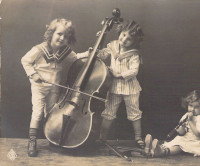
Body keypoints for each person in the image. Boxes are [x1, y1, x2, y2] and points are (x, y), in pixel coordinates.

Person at [21, 18, 88, 157]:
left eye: (66, 36)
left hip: (54, 88)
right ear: (51, 33)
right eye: (59, 34)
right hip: (39, 86)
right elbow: (25, 60)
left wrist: (89, 54)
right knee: (38, 112)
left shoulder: (65, 51)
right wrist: (33, 74)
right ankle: (32, 141)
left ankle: (50, 137)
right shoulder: (40, 49)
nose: (62, 38)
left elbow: (76, 58)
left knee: (51, 112)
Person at [96, 20, 145, 148]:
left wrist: (119, 75)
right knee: (109, 112)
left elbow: (134, 71)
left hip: (130, 87)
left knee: (134, 112)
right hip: (114, 87)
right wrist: (98, 45)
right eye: (123, 35)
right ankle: (102, 138)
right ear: (120, 32)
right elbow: (102, 56)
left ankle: (138, 138)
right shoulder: (112, 45)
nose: (124, 39)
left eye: (129, 39)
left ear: (134, 42)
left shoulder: (134, 54)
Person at [144, 90, 200, 157]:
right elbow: (183, 132)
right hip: (187, 138)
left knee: (181, 145)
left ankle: (162, 152)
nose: (192, 109)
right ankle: (150, 148)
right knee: (177, 141)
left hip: (199, 142)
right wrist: (181, 130)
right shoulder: (186, 115)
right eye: (190, 106)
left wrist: (191, 121)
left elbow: (198, 134)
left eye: (196, 107)